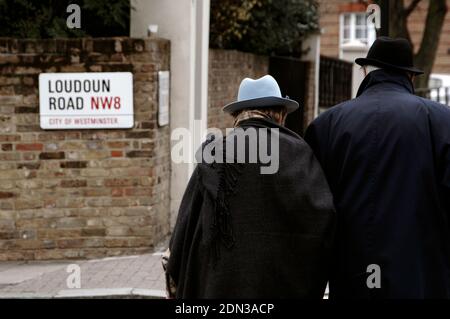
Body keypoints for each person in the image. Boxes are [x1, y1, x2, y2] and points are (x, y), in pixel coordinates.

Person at [163, 75, 335, 298]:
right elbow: (323, 218)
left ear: (237, 115)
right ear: (280, 113)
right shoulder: (298, 153)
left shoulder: (215, 154)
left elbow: (183, 231)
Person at [304, 36, 450, 298]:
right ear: (410, 76)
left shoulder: (326, 124)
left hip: (352, 277)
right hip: (422, 279)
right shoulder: (441, 122)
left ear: (364, 71)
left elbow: (312, 211)